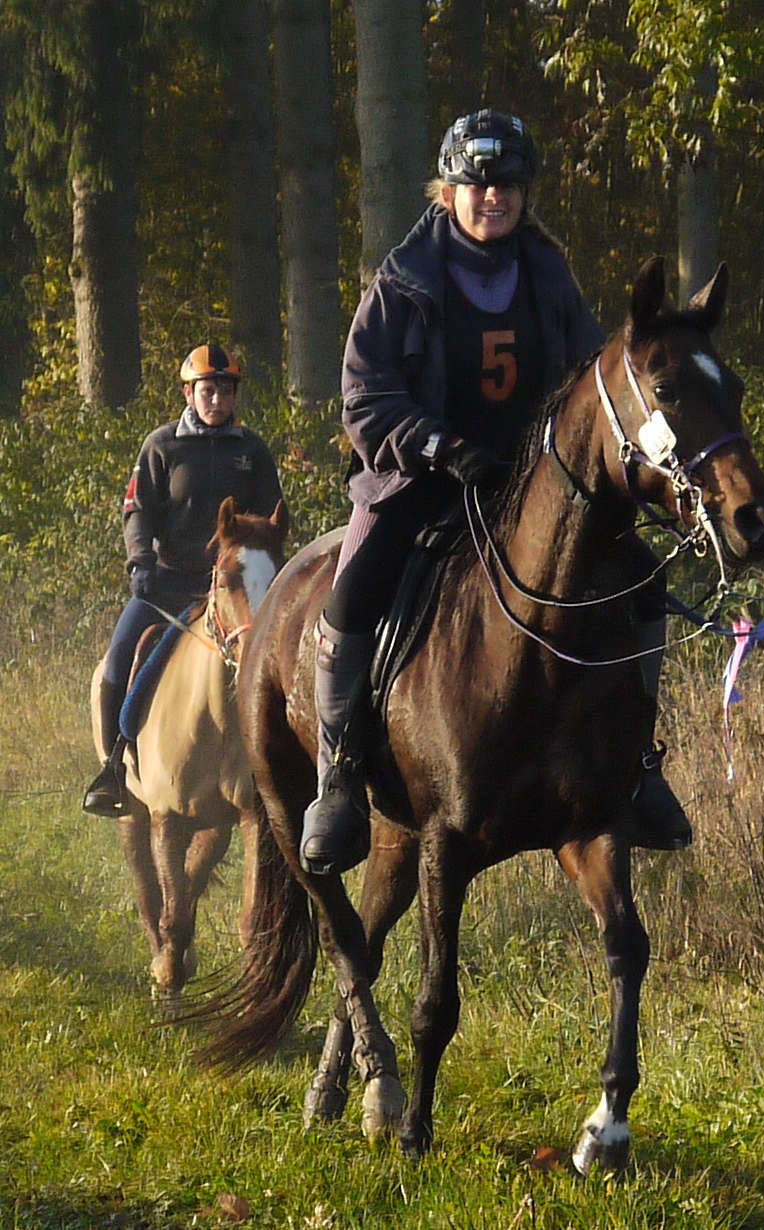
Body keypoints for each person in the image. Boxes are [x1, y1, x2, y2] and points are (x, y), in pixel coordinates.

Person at [299, 108, 691, 876]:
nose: (493, 198)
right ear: (447, 191)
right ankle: (338, 777)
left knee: (644, 588)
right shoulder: (403, 280)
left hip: (533, 487)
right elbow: (365, 398)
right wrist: (441, 446)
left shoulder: (547, 274)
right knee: (351, 600)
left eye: (507, 185)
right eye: (477, 184)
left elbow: (591, 381)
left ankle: (637, 765)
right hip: (419, 478)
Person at [82, 344, 284, 817]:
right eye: (207, 391)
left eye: (225, 391)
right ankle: (114, 770)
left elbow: (271, 517)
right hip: (170, 583)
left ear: (235, 396)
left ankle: (298, 769)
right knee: (116, 664)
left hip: (236, 591)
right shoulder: (162, 445)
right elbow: (136, 509)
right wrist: (141, 563)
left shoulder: (252, 450)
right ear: (190, 394)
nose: (216, 400)